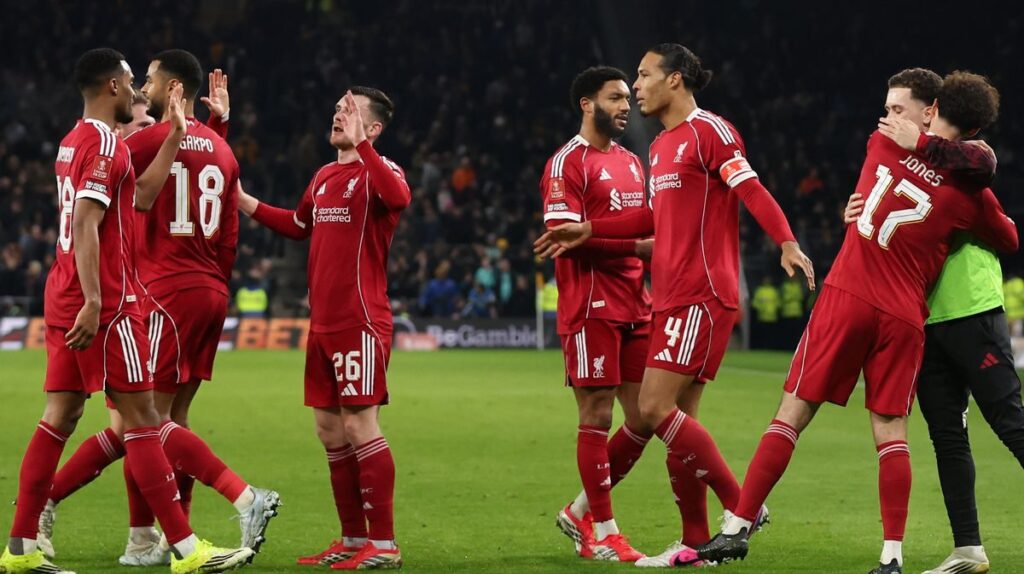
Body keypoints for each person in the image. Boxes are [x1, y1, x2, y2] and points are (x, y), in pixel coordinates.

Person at [697, 70, 1016, 574]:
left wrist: (897, 173)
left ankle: (737, 526)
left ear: (930, 111)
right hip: (906, 315)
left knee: (791, 414)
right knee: (894, 433)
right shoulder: (971, 191)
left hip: (848, 296)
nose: (886, 118)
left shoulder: (879, 144)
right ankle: (892, 558)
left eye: (897, 109)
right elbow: (1007, 229)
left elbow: (908, 177)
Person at [537, 43, 814, 567]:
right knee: (678, 419)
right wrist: (590, 227)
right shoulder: (662, 147)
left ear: (677, 79)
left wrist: (786, 241)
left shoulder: (710, 131)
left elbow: (750, 188)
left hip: (699, 293)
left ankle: (742, 508)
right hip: (671, 295)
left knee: (653, 408)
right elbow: (651, 221)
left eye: (643, 76)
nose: (636, 88)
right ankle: (695, 541)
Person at [0, 47, 252, 574]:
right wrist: (96, 301)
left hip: (63, 289)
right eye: (132, 81)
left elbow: (138, 197)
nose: (138, 90)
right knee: (142, 421)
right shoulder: (106, 143)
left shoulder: (74, 141)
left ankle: (20, 546)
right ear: (111, 87)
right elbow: (90, 222)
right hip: (107, 302)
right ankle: (185, 549)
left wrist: (184, 133)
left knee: (60, 417)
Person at [842, 68, 1024, 574]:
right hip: (923, 318)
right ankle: (968, 548)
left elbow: (1007, 235)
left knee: (1011, 425)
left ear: (938, 111)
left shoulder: (970, 168)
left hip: (972, 311)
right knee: (946, 434)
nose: (898, 118)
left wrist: (921, 145)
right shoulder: (918, 162)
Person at [237, 87, 410, 570]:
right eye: (336, 108)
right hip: (323, 324)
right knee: (330, 430)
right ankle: (354, 537)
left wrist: (366, 148)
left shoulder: (382, 172)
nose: (337, 114)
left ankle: (386, 543)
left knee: (360, 424)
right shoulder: (323, 176)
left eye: (350, 111)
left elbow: (400, 197)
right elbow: (297, 224)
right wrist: (244, 201)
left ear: (372, 128)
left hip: (361, 319)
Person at [541, 66, 652, 562]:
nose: (626, 105)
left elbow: (652, 239)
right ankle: (604, 529)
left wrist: (610, 238)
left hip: (636, 303)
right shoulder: (567, 163)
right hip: (590, 305)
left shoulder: (632, 162)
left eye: (628, 97)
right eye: (616, 97)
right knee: (597, 414)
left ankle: (581, 508)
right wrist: (631, 244)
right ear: (587, 104)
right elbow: (565, 242)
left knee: (647, 416)